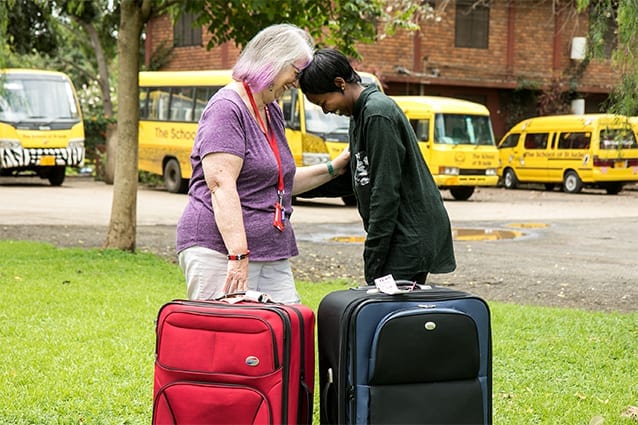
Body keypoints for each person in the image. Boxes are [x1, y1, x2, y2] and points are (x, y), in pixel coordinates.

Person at [176, 25, 349, 303]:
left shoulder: (271, 111)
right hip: (220, 251)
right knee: (226, 339)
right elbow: (221, 185)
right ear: (274, 61)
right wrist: (238, 255)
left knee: (286, 329)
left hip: (271, 250)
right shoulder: (226, 108)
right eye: (296, 72)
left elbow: (280, 182)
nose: (296, 82)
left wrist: (334, 167)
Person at [298, 48, 456, 285]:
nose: (326, 111)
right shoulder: (359, 115)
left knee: (391, 315)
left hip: (409, 234)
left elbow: (385, 190)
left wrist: (373, 255)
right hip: (398, 232)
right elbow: (356, 177)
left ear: (340, 83)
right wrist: (290, 190)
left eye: (324, 102)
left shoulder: (377, 114)